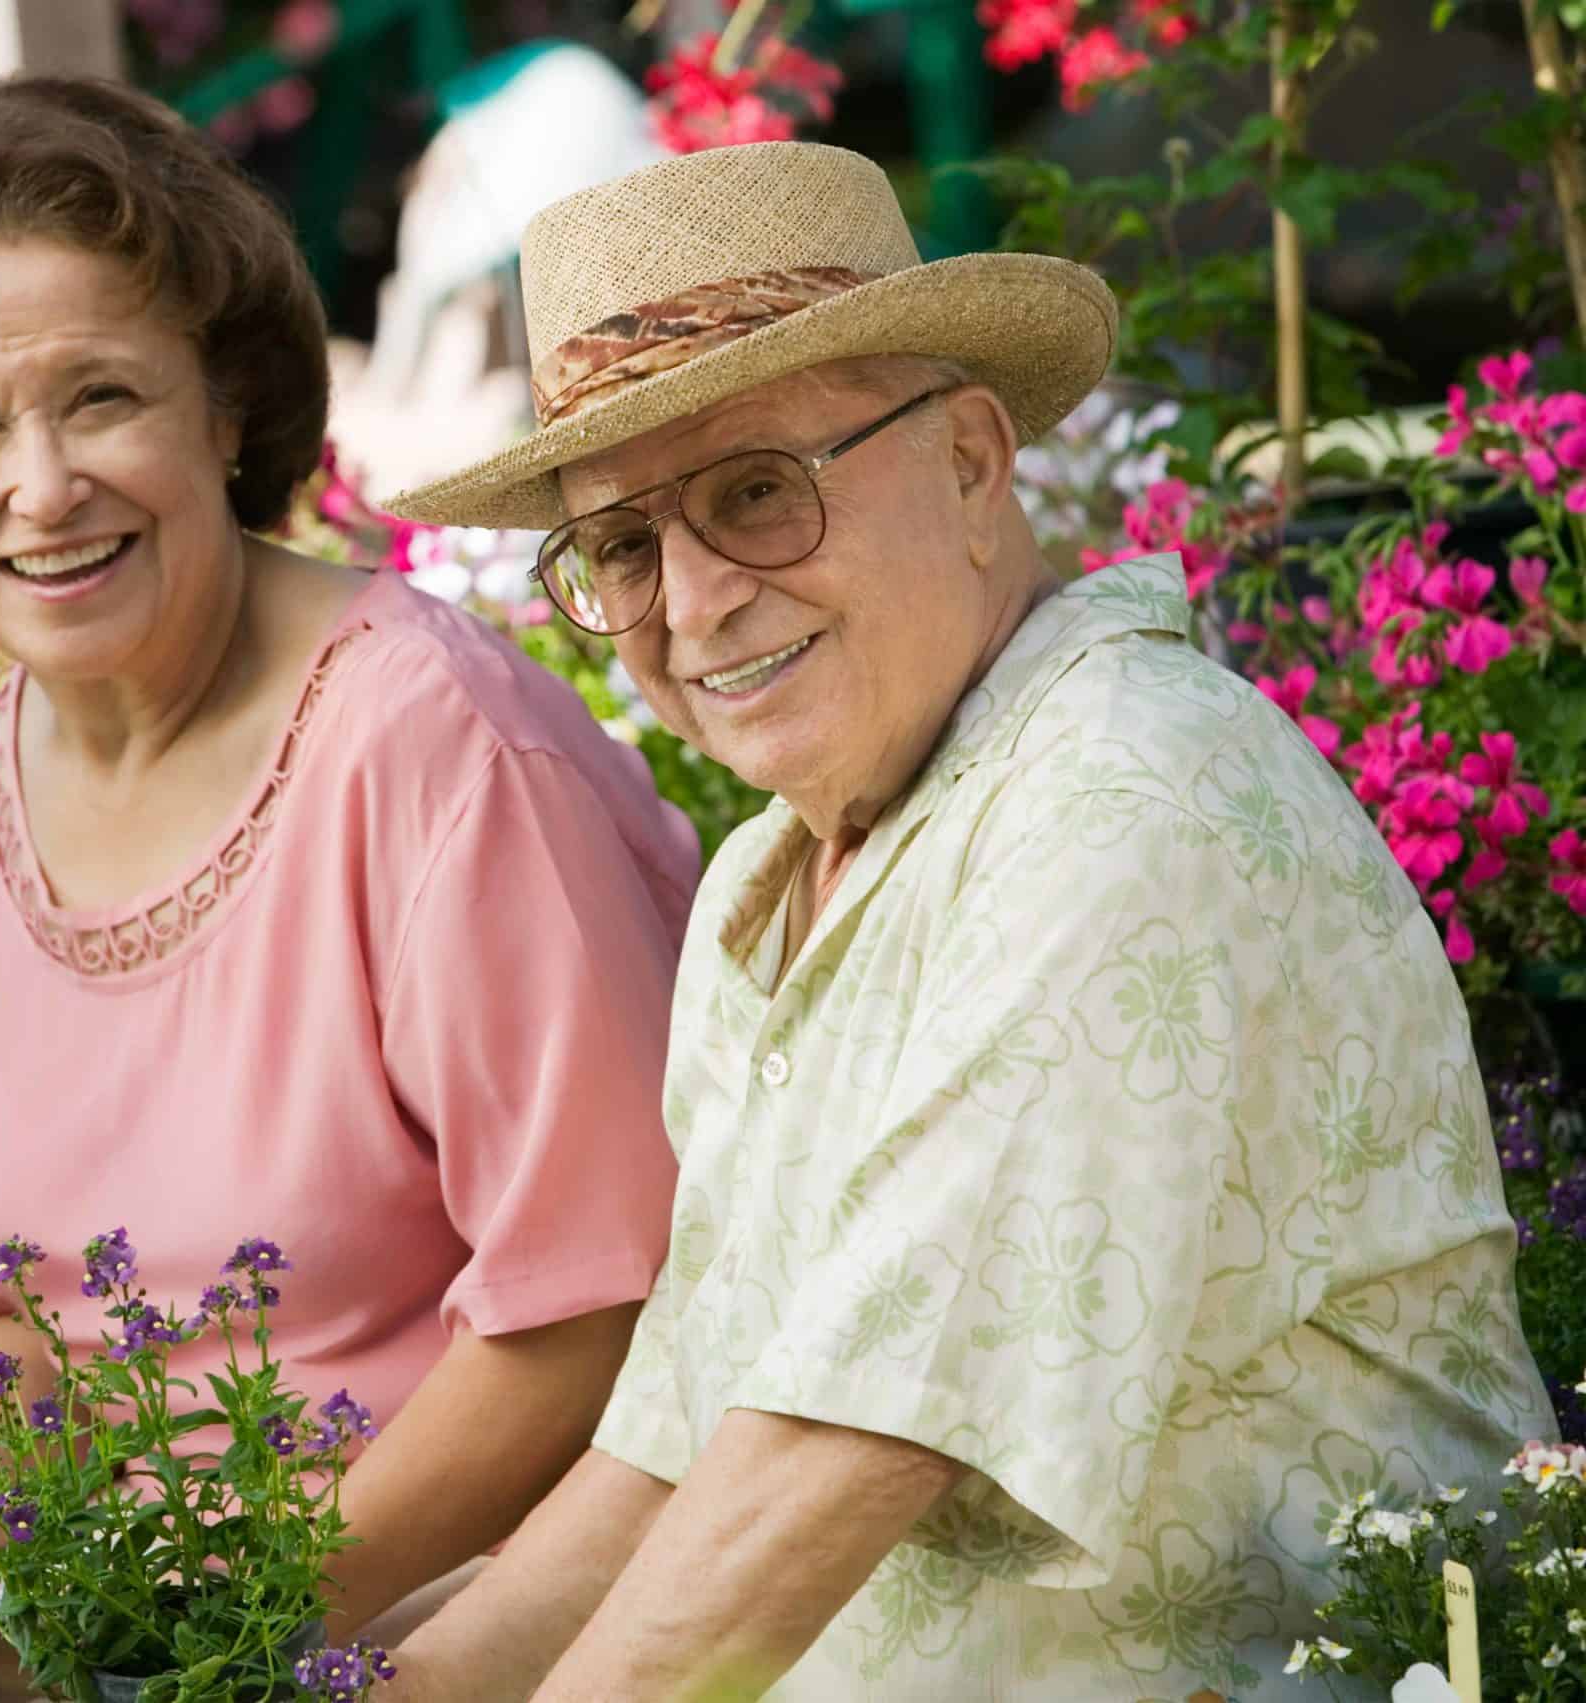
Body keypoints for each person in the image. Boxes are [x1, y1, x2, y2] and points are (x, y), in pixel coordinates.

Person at [372, 141, 1556, 1701]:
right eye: (624, 544)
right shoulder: (771, 881)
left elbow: (844, 1452)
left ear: (974, 463)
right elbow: (679, 1452)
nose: (697, 596)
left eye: (756, 493)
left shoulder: (1125, 794)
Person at [0, 77, 700, 1700]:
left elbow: (595, 1322)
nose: (43, 486)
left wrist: (228, 1625)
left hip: (472, 1603)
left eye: (101, 398)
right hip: (132, 1631)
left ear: (223, 409)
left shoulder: (433, 743)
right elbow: (20, 1319)